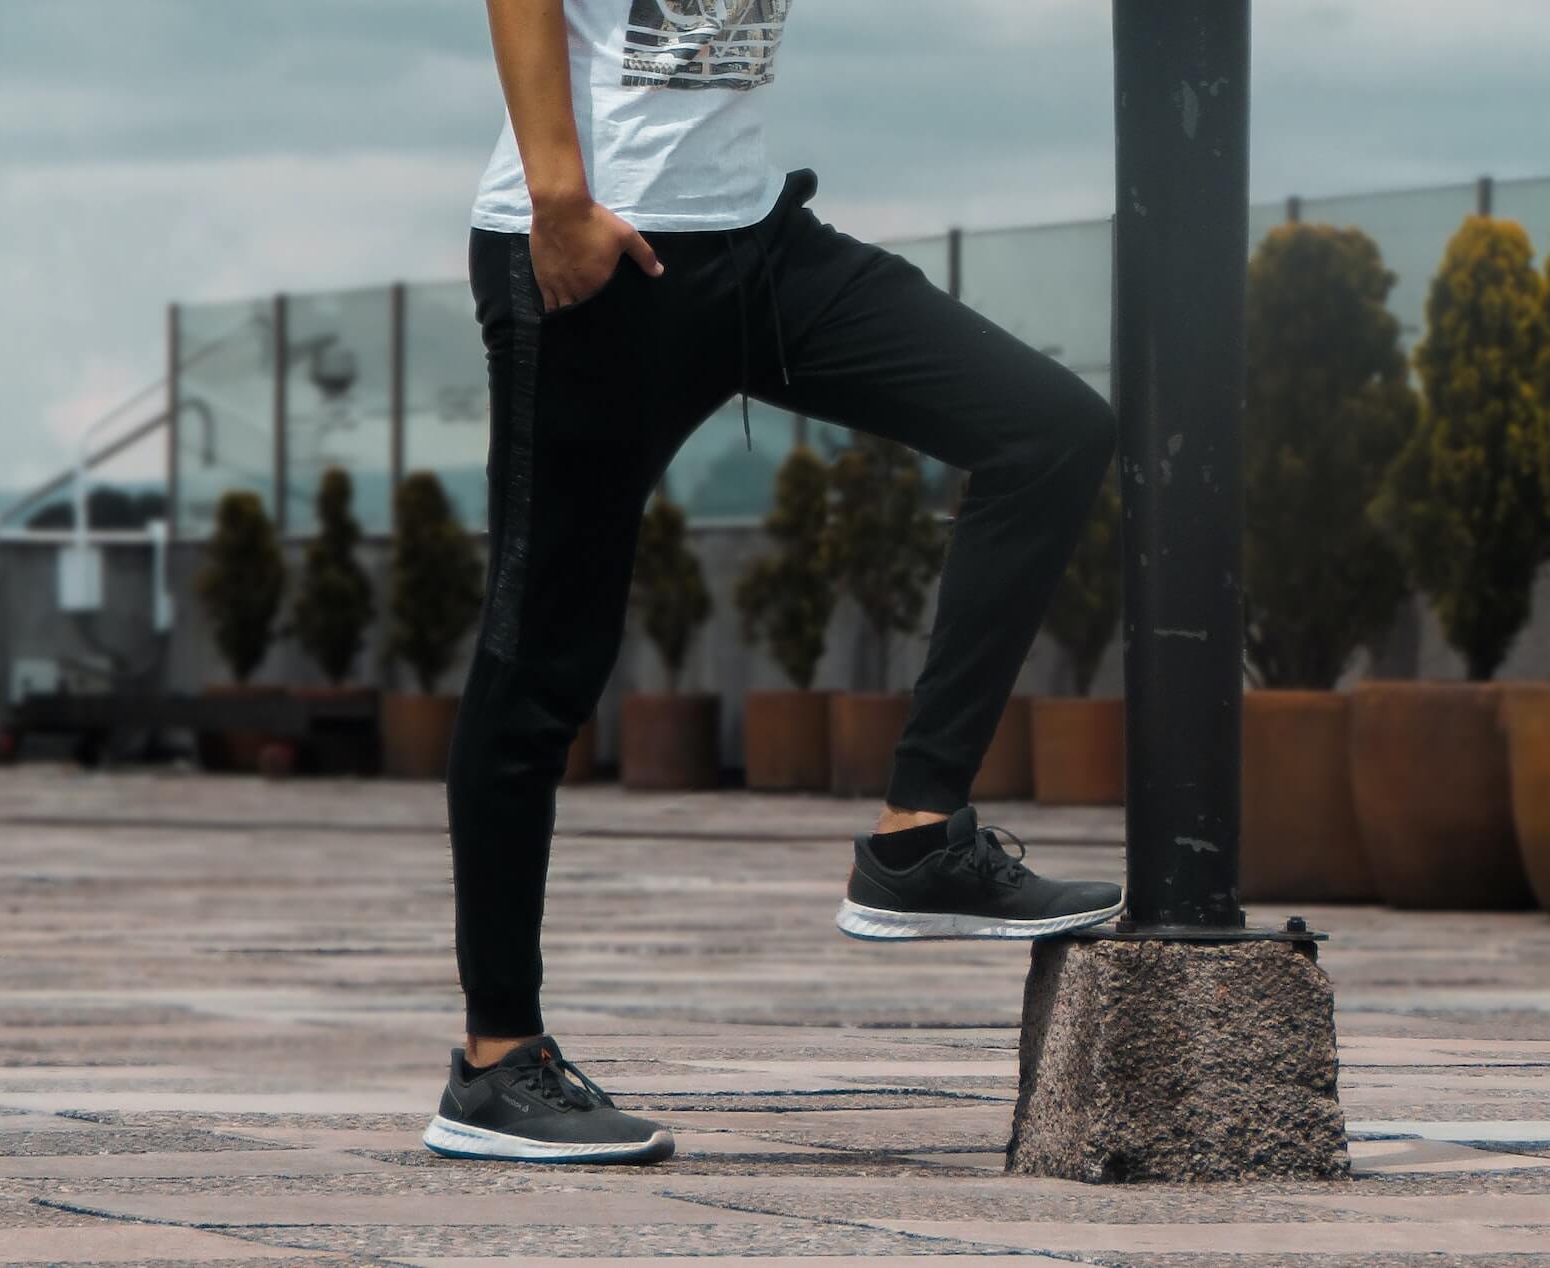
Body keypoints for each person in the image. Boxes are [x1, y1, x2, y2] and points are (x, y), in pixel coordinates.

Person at [424, 0, 1124, 1165]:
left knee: (1047, 430)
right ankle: (496, 1060)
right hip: (598, 262)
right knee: (540, 661)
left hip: (759, 251)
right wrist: (557, 198)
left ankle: (915, 839)